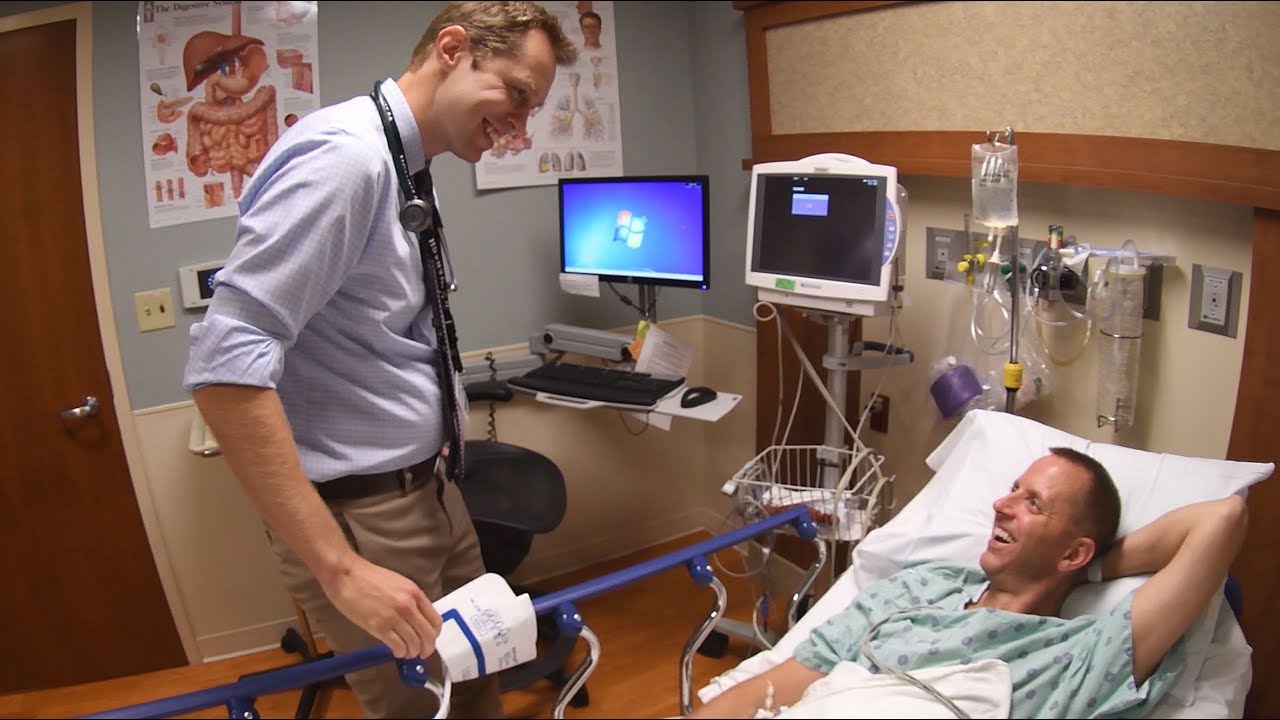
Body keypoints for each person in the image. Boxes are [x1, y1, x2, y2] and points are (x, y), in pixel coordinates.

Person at [181, 3, 577, 718]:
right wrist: (340, 568)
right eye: (516, 94)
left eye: (533, 108)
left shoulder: (407, 164)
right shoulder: (347, 158)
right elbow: (224, 366)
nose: (519, 127)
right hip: (366, 514)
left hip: (431, 489)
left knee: (472, 693)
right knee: (423, 710)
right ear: (453, 49)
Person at [688, 447, 1249, 718]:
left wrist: (1094, 567)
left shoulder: (1078, 657)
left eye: (1033, 504)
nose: (1001, 506)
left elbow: (1222, 518)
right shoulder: (919, 591)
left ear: (1074, 551)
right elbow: (783, 682)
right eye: (1011, 488)